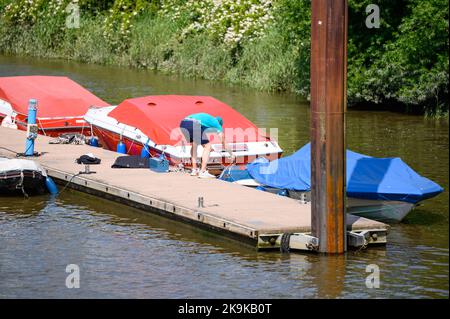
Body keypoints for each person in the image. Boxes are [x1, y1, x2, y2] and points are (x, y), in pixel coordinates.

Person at [179, 112, 233, 178]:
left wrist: (207, 147)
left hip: (183, 123)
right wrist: (231, 154)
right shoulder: (217, 124)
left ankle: (194, 170)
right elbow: (223, 140)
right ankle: (203, 171)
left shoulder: (207, 121)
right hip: (193, 123)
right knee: (208, 146)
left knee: (194, 144)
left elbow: (201, 140)